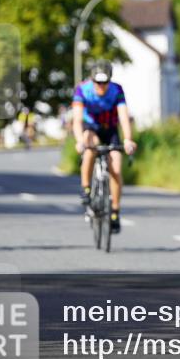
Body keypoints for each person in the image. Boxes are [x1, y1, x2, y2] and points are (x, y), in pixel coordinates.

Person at [71, 60, 136, 233]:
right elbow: (77, 119)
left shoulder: (116, 90)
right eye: (98, 83)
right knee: (90, 145)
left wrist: (128, 139)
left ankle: (115, 210)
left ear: (110, 80)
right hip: (90, 127)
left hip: (110, 128)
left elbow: (123, 116)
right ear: (92, 80)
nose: (101, 86)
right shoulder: (82, 90)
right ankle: (86, 188)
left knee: (116, 167)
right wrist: (79, 141)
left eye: (104, 82)